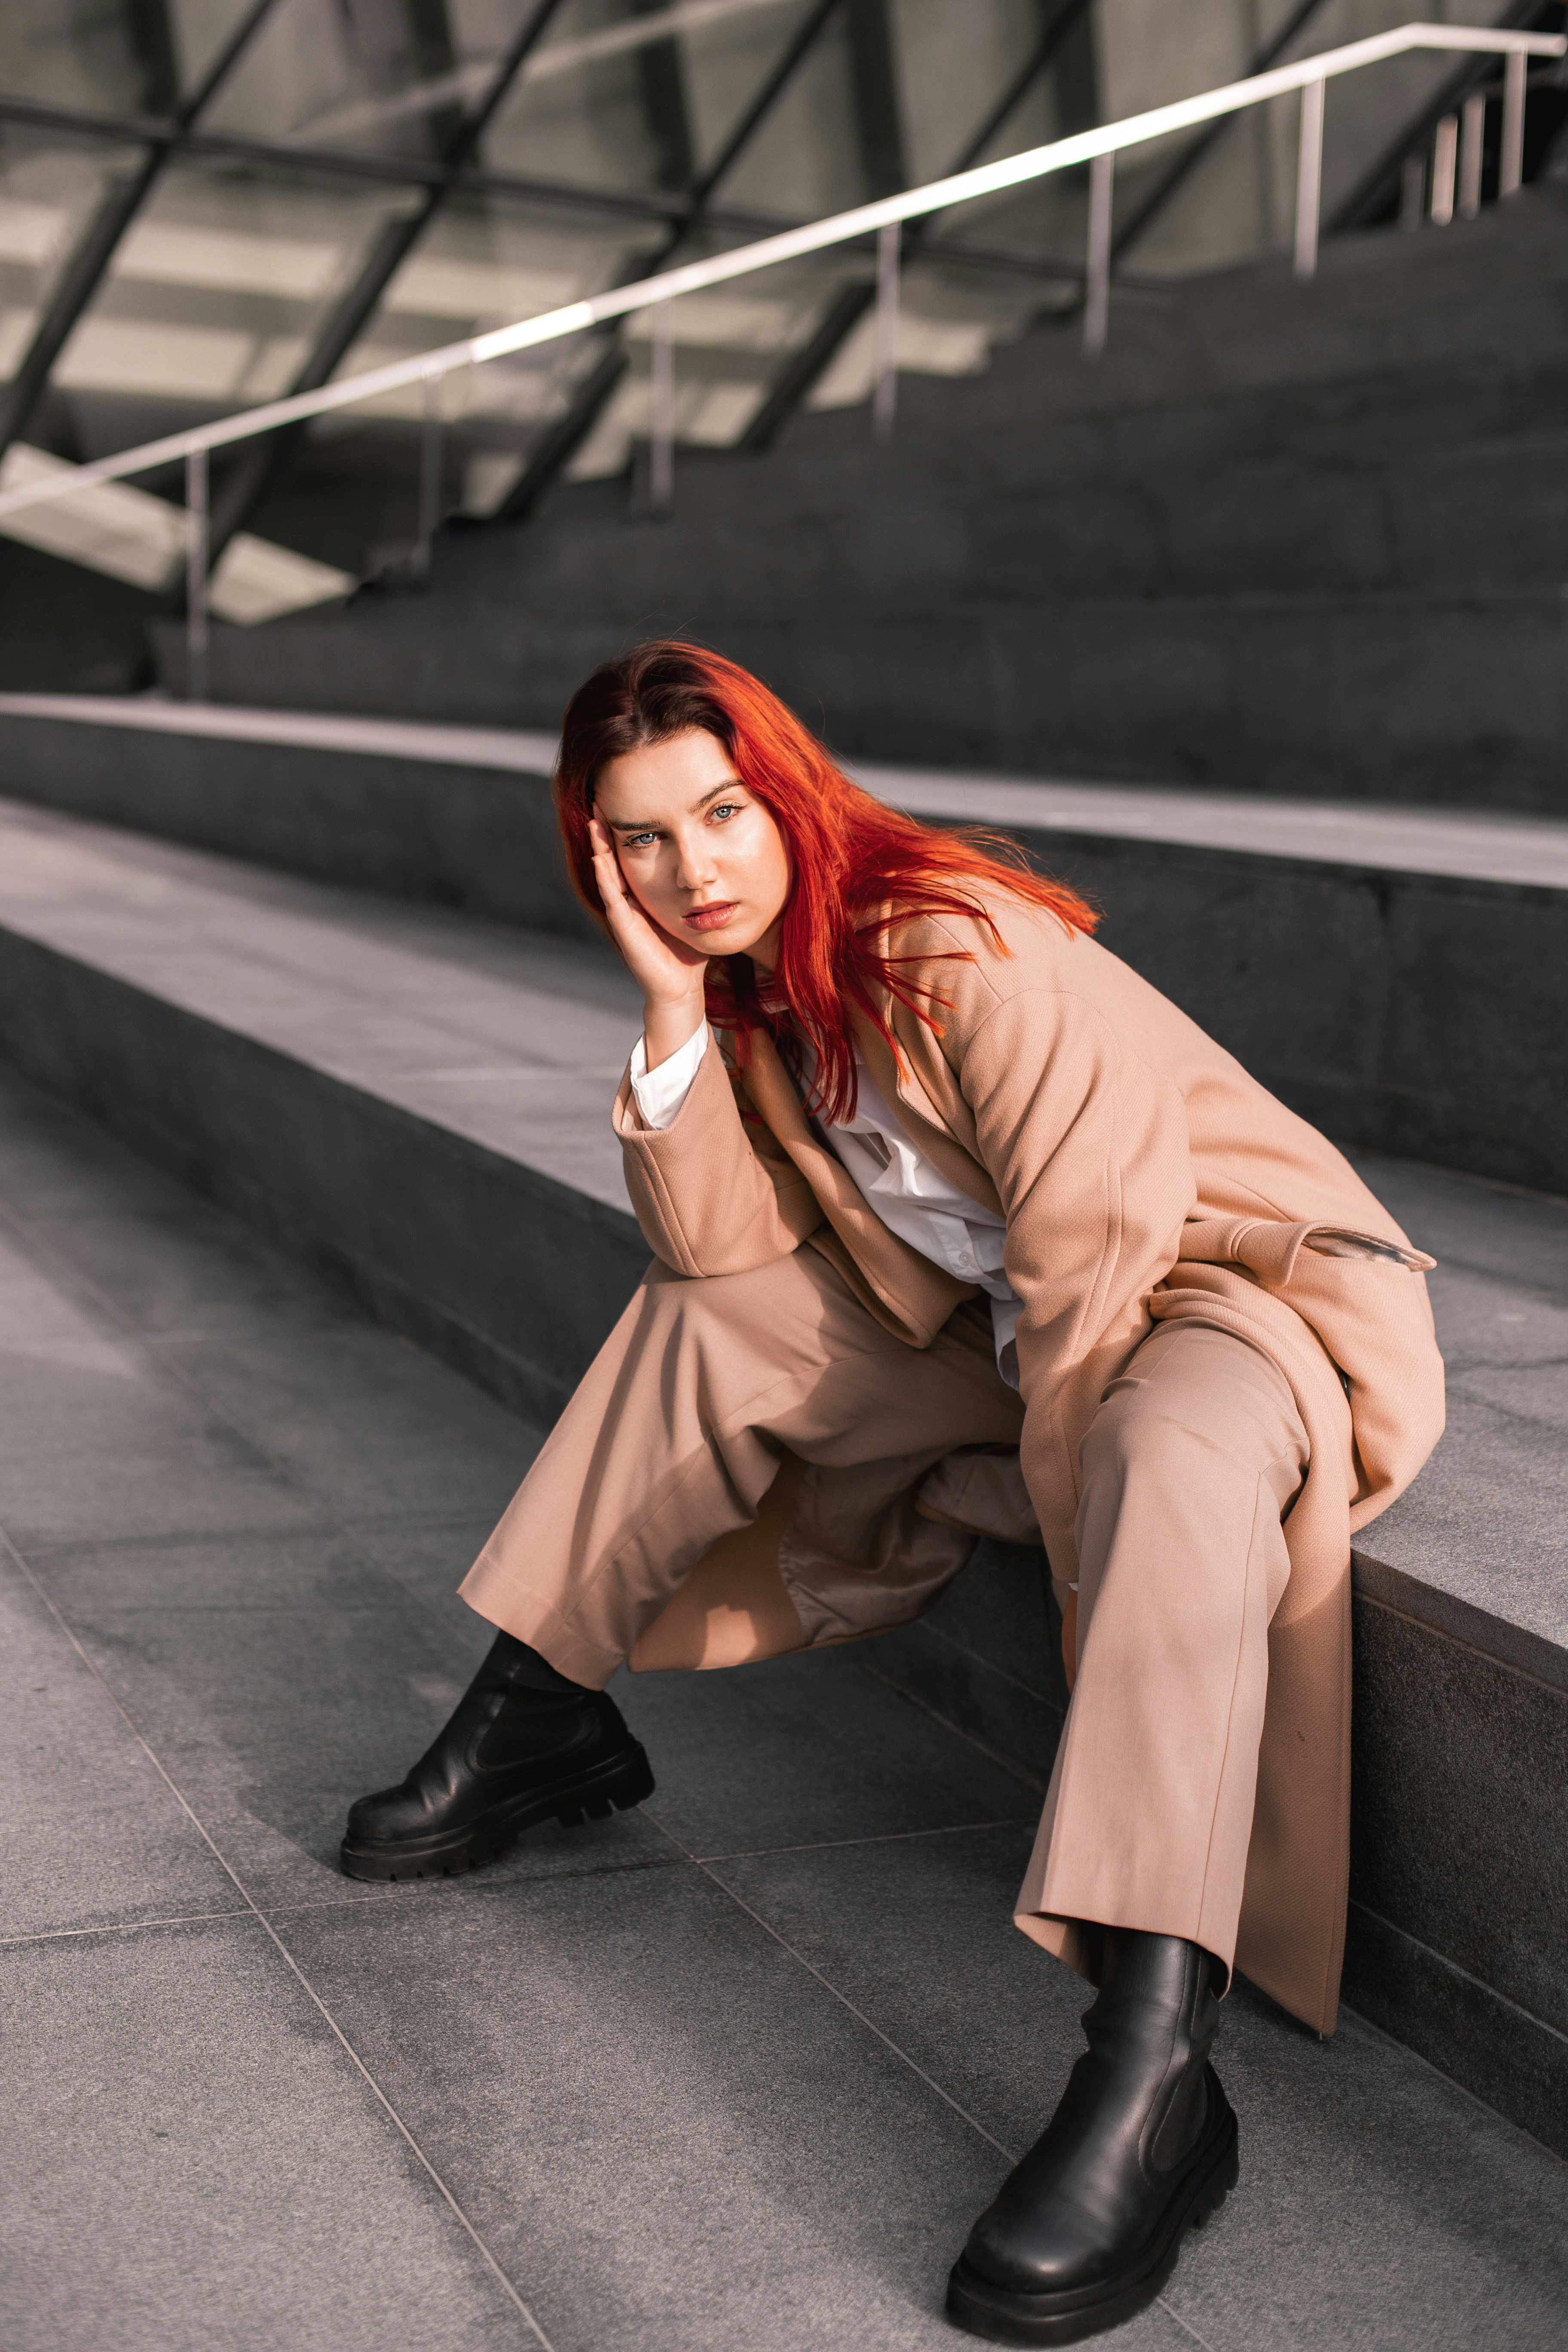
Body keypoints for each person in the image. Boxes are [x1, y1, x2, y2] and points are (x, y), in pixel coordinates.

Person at [341, 641, 1443, 2345]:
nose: (691, 869)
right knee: (715, 1330)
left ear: (784, 788)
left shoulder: (958, 944)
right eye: (638, 841)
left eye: (718, 813)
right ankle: (541, 1710)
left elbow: (1093, 1280)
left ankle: (1157, 2069)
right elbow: (713, 1259)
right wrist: (667, 1011)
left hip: (1227, 1297)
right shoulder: (755, 984)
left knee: (1168, 1454)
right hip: (1016, 1340)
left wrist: (1101, 1608)